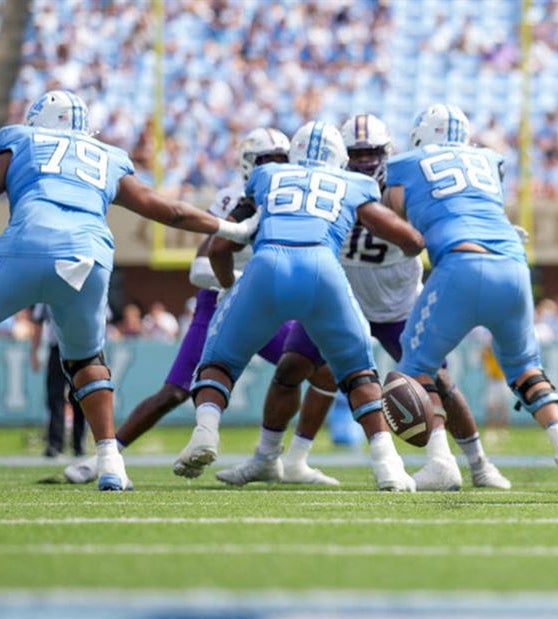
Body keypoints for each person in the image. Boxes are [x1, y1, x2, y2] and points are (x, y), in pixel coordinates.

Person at [215, 114, 511, 491]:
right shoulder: (332, 183)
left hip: (397, 305)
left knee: (438, 380)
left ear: (387, 152)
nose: (365, 160)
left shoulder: (406, 184)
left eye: (372, 152)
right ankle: (268, 458)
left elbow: (436, 228)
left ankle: (478, 464)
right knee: (291, 369)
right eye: (356, 152)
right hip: (341, 298)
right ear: (341, 155)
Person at [0, 90, 257, 491]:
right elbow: (166, 209)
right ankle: (110, 463)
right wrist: (231, 228)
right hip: (88, 257)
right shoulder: (107, 155)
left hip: (27, 244)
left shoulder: (19, 138)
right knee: (86, 360)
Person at [61, 128, 335, 485]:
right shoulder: (233, 198)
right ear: (249, 165)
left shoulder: (295, 198)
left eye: (282, 160)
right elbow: (201, 266)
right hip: (221, 301)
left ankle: (285, 458)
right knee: (173, 391)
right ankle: (105, 456)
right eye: (267, 160)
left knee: (315, 370)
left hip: (270, 304)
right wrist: (241, 283)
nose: (276, 167)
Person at [173, 120, 424, 492]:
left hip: (267, 266)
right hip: (324, 271)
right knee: (358, 374)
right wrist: (413, 245)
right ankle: (388, 465)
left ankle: (206, 432)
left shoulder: (267, 175)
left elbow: (221, 247)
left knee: (219, 363)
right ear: (340, 159)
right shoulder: (354, 183)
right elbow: (409, 240)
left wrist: (229, 288)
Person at [388, 103, 558, 491]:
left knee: (417, 366)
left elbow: (394, 214)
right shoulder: (488, 159)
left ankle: (439, 462)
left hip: (461, 265)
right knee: (525, 368)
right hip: (512, 265)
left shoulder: (407, 162)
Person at [30, 304, 84, 458]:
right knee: (55, 397)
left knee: (80, 396)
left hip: (80, 349)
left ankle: (78, 443)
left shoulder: (83, 289)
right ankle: (55, 443)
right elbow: (38, 322)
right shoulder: (47, 295)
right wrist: (34, 352)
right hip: (57, 349)